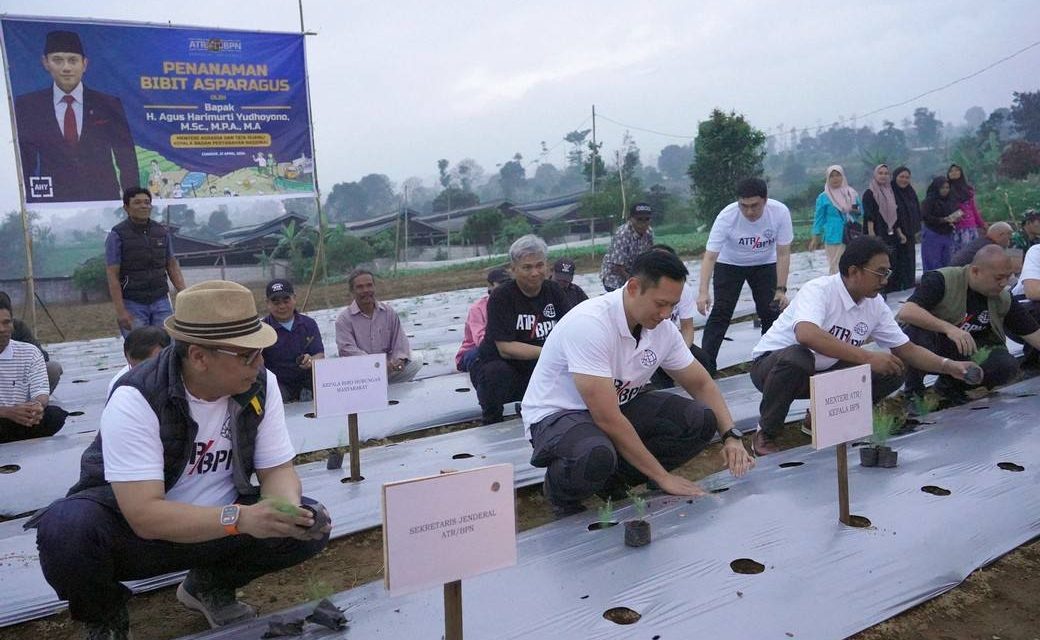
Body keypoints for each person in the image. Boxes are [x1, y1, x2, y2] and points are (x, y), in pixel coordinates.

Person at [28, 281, 330, 639]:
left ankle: (207, 586)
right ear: (200, 357)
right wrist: (242, 518)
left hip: (222, 526)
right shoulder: (137, 397)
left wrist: (285, 509)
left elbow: (277, 469)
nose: (260, 363)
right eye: (247, 355)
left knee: (309, 520)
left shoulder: (260, 384)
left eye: (261, 351)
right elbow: (144, 515)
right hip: (143, 536)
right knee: (66, 530)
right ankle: (105, 615)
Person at [523, 250, 755, 518]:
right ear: (633, 287)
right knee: (594, 453)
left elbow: (701, 384)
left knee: (701, 419)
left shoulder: (662, 329)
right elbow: (607, 418)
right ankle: (561, 494)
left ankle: (613, 480)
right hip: (559, 416)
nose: (667, 314)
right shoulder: (590, 324)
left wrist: (731, 435)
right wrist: (663, 476)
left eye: (673, 306)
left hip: (617, 405)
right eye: (660, 304)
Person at [748, 236, 976, 455]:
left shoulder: (874, 304)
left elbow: (908, 349)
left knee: (893, 368)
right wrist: (868, 357)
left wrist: (949, 366)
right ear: (853, 271)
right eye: (879, 272)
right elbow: (807, 335)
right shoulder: (819, 290)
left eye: (887, 272)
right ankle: (765, 433)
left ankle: (822, 418)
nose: (885, 280)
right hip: (773, 369)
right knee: (798, 357)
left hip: (822, 371)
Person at [897, 245, 1040, 404]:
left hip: (968, 349)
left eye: (1008, 277)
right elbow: (907, 311)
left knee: (1006, 365)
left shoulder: (1003, 298)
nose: (1003, 283)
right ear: (975, 271)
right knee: (916, 332)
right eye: (998, 278)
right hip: (935, 344)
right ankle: (913, 394)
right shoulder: (943, 280)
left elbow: (1033, 333)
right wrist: (948, 328)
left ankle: (950, 389)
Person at [14, 30, 138, 204]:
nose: (66, 68)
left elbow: (126, 158)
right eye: (57, 60)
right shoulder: (29, 106)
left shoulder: (108, 104)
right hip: (53, 203)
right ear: (45, 63)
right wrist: (31, 203)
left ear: (84, 64)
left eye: (73, 60)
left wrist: (131, 202)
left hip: (104, 200)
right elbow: (25, 162)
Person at [470, 235, 572, 425]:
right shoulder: (502, 297)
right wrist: (551, 353)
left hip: (541, 363)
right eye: (527, 267)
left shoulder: (554, 291)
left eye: (539, 265)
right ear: (513, 270)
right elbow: (505, 348)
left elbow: (571, 329)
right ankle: (492, 419)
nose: (535, 273)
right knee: (495, 373)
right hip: (507, 365)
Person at [698, 178, 793, 362]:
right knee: (721, 312)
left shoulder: (780, 213)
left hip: (764, 264)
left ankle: (769, 359)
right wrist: (703, 292)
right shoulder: (727, 216)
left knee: (771, 311)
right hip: (730, 264)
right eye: (744, 206)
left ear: (765, 200)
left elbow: (783, 253)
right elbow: (710, 256)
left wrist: (781, 289)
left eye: (754, 206)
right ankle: (705, 366)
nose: (749, 211)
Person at [106, 187, 187, 336]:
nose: (143, 206)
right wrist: (121, 311)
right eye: (137, 202)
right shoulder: (117, 235)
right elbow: (112, 274)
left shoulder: (161, 232)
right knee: (139, 349)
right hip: (132, 303)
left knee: (167, 346)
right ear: (126, 207)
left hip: (161, 300)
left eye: (147, 202)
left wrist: (185, 293)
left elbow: (172, 265)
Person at [0, 296, 67, 443]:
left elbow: (41, 392)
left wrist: (36, 406)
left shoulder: (30, 352)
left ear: (13, 323)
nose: (2, 329)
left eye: (6, 323)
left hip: (21, 418)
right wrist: (8, 412)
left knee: (54, 415)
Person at [335, 269, 421, 383]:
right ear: (352, 291)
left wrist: (399, 360)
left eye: (369, 285)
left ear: (374, 287)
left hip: (388, 369)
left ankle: (389, 387)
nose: (366, 290)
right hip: (362, 370)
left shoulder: (388, 312)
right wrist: (377, 364)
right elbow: (347, 350)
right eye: (360, 287)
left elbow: (400, 341)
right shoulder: (344, 319)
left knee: (416, 359)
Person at [649, 244, 716, 382]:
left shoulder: (682, 288)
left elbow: (687, 328)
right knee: (658, 377)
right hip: (647, 345)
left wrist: (680, 354)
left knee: (705, 362)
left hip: (670, 341)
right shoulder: (644, 289)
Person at [261, 279, 325, 402]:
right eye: (276, 302)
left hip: (308, 381)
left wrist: (311, 360)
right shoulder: (263, 330)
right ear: (267, 303)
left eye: (286, 300)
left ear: (294, 298)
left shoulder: (309, 324)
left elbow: (320, 354)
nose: (282, 306)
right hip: (278, 385)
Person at [0, 290, 63, 393]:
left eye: (6, 322)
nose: (2, 329)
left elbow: (41, 356)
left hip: (20, 378)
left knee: (53, 368)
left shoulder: (19, 328)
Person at [863, 164, 909, 294]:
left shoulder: (890, 192)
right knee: (878, 261)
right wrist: (872, 235)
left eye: (886, 173)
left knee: (892, 261)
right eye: (880, 173)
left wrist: (900, 233)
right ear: (875, 175)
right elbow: (869, 215)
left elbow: (895, 215)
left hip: (891, 233)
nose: (883, 176)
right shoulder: (870, 193)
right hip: (877, 232)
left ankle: (891, 288)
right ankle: (879, 289)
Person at [455, 268, 511, 372]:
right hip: (474, 350)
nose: (505, 287)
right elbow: (480, 340)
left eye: (508, 283)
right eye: (501, 283)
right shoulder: (478, 309)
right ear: (490, 286)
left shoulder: (513, 305)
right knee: (481, 356)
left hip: (504, 347)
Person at [810, 165, 862, 274]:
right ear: (827, 179)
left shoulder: (851, 194)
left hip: (850, 234)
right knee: (835, 266)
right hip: (833, 235)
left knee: (852, 265)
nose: (835, 178)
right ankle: (836, 289)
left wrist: (852, 210)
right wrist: (815, 237)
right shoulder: (824, 197)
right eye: (831, 176)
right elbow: (819, 218)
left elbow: (861, 212)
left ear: (843, 176)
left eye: (838, 175)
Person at [600, 202, 655, 291]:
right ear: (631, 219)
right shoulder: (622, 234)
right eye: (639, 219)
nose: (643, 223)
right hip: (615, 278)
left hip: (635, 273)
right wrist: (634, 282)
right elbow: (617, 266)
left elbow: (650, 256)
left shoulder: (649, 232)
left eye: (647, 219)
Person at [107, 326, 171, 396]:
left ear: (169, 354)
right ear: (126, 357)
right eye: (136, 368)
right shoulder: (120, 388)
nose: (142, 374)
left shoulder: (182, 371)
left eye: (151, 366)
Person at [890, 166, 922, 291]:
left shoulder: (910, 192)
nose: (904, 180)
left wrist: (917, 228)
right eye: (901, 177)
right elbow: (891, 213)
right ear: (895, 177)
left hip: (909, 233)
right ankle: (896, 287)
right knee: (897, 262)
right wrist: (899, 230)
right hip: (895, 233)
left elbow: (916, 211)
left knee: (909, 261)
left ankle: (909, 286)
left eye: (907, 177)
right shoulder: (891, 192)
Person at [920, 177, 961, 271]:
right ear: (936, 188)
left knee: (947, 262)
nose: (945, 190)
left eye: (947, 187)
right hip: (933, 234)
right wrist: (942, 220)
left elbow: (952, 213)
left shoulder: (950, 200)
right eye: (942, 188)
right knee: (933, 263)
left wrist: (956, 218)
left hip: (947, 233)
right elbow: (925, 216)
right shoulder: (929, 201)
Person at [947, 164, 986, 253]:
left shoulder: (968, 189)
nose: (954, 173)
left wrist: (981, 224)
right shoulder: (947, 189)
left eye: (956, 170)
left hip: (970, 225)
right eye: (951, 171)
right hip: (957, 227)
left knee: (971, 252)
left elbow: (973, 208)